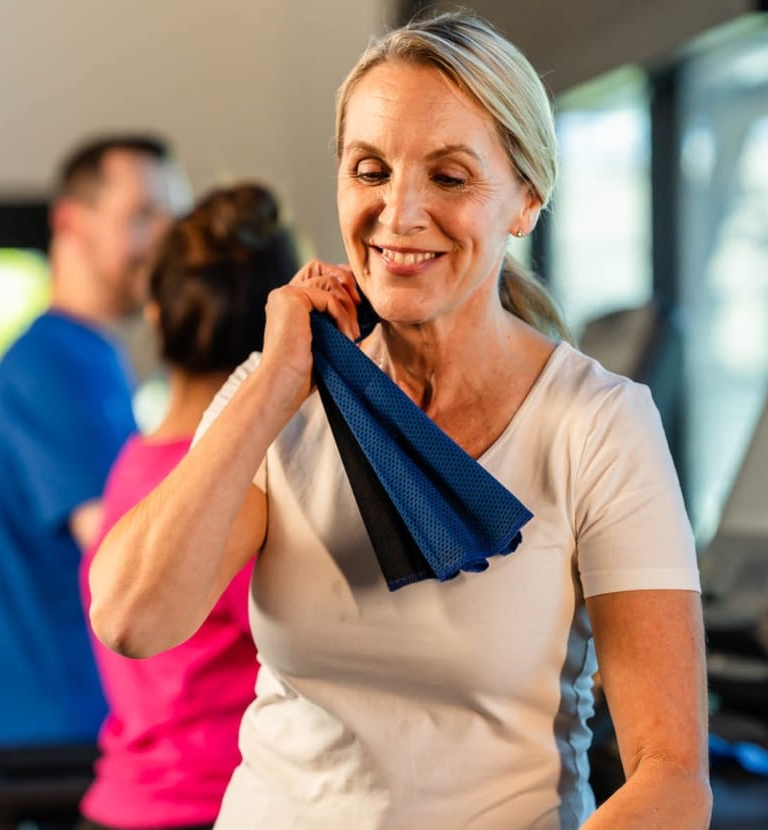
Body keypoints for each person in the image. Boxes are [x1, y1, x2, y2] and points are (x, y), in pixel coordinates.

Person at [90, 12, 710, 830]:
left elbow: (671, 778)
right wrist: (275, 383)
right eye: (370, 170)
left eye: (449, 178)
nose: (399, 212)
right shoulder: (281, 391)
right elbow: (134, 618)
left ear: (525, 200)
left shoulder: (599, 425)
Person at [77, 183, 300, 830]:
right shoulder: (255, 484)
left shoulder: (133, 467)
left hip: (117, 805)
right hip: (213, 808)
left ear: (155, 314)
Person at [0, 135, 181, 751]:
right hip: (54, 742)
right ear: (70, 222)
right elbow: (130, 568)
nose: (165, 240)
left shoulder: (90, 359)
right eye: (142, 216)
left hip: (66, 728)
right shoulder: (56, 366)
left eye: (170, 218)